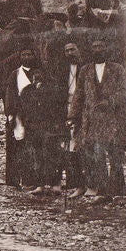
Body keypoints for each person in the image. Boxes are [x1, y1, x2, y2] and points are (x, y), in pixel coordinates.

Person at [68, 36, 126, 203]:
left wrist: (110, 102)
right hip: (92, 122)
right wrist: (72, 116)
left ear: (106, 49)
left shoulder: (117, 69)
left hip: (114, 121)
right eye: (95, 46)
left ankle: (119, 192)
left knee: (115, 157)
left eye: (101, 46)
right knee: (97, 157)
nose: (98, 49)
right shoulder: (85, 70)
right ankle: (102, 191)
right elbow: (78, 95)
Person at [52, 41, 86, 197]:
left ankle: (85, 184)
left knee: (82, 148)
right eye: (67, 51)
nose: (70, 53)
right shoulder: (61, 69)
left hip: (82, 110)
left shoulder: (86, 67)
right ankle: (73, 183)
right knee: (67, 147)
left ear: (78, 50)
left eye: (73, 49)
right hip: (66, 109)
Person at [4, 47, 40, 189]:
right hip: (19, 114)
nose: (26, 57)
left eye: (29, 54)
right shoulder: (15, 74)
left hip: (36, 115)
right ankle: (16, 179)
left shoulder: (40, 72)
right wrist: (11, 114)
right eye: (23, 54)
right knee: (18, 145)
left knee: (35, 146)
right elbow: (10, 95)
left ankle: (34, 179)